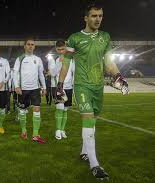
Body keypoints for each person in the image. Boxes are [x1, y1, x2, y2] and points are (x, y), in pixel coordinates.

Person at [57, 4, 129, 179]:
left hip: (98, 86)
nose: (98, 19)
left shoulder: (105, 37)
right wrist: (59, 85)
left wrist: (119, 76)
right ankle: (94, 165)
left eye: (101, 16)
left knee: (93, 121)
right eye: (94, 16)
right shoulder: (74, 39)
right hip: (82, 86)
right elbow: (66, 63)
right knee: (88, 119)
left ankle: (84, 152)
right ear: (86, 18)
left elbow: (109, 63)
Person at [13, 38, 47, 144]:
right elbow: (15, 73)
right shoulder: (20, 58)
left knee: (37, 110)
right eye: (28, 44)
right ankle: (24, 131)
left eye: (32, 44)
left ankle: (35, 135)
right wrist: (16, 86)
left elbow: (41, 74)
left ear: (34, 46)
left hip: (35, 89)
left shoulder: (38, 59)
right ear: (24, 46)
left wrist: (44, 87)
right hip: (23, 89)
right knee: (22, 111)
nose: (30, 46)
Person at [48, 40, 75, 140]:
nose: (60, 51)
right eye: (58, 49)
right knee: (59, 108)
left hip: (68, 87)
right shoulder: (53, 59)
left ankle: (63, 130)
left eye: (62, 49)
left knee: (65, 110)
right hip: (57, 86)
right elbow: (52, 73)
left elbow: (73, 72)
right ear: (56, 49)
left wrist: (73, 85)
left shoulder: (71, 59)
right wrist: (60, 62)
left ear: (66, 47)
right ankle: (58, 130)